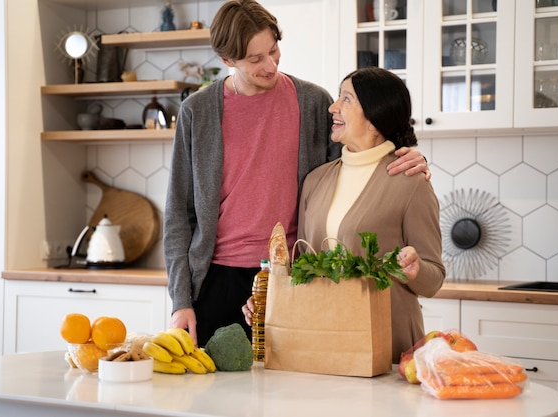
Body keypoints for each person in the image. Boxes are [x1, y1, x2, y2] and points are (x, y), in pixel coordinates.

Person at [164, 0, 430, 348]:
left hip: (292, 279)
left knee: (288, 396)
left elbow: (356, 164)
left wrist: (405, 152)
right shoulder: (197, 112)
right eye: (256, 59)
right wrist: (181, 300)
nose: (270, 65)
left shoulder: (313, 102)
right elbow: (178, 216)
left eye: (273, 51)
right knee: (212, 396)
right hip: (216, 279)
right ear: (228, 60)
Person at [244, 67, 445, 362]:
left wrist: (415, 269)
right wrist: (267, 297)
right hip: (324, 339)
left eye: (346, 99)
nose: (332, 107)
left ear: (375, 118)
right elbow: (302, 264)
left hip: (387, 343)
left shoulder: (410, 182)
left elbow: (434, 278)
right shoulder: (316, 180)